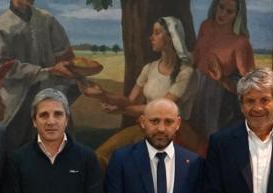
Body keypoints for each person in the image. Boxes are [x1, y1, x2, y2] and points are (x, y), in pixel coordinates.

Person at [82, 16, 204, 165]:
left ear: (171, 37)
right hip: (147, 127)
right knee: (101, 155)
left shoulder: (186, 73)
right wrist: (102, 95)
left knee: (122, 159)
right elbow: (130, 100)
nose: (151, 37)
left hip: (175, 133)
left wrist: (121, 110)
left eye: (157, 33)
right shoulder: (150, 68)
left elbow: (160, 110)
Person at [0, 0, 79, 153]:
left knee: (61, 146)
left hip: (48, 92)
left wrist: (69, 68)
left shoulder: (47, 19)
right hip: (18, 99)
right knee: (16, 149)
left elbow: (65, 54)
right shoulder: (0, 26)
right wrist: (44, 71)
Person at [189, 0, 255, 139]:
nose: (222, 13)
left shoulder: (240, 42)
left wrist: (222, 79)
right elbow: (197, 55)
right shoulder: (206, 26)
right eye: (221, 7)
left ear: (237, 15)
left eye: (229, 11)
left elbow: (248, 86)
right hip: (195, 89)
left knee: (211, 140)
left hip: (219, 100)